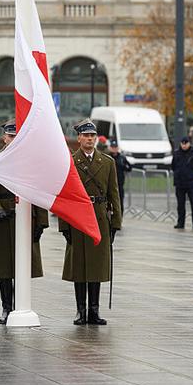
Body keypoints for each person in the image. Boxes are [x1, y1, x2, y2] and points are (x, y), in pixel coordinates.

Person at [0, 119, 46, 324]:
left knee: (23, 265)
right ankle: (6, 307)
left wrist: (41, 222)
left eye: (17, 136)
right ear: (4, 138)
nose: (13, 140)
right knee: (4, 266)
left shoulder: (30, 162)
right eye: (10, 136)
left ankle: (21, 304)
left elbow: (39, 191)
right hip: (4, 219)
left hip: (26, 218)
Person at [59, 119, 122, 325]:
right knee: (79, 266)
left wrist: (116, 223)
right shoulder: (70, 161)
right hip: (78, 217)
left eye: (92, 136)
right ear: (79, 138)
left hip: (99, 217)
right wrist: (64, 225)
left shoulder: (107, 162)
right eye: (86, 135)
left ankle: (94, 311)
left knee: (96, 265)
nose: (89, 139)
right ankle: (81, 311)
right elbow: (64, 195)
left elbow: (114, 194)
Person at [172, 136, 193, 229]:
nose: (184, 145)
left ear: (189, 143)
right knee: (180, 205)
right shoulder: (176, 153)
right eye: (182, 143)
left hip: (191, 183)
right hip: (180, 183)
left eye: (186, 143)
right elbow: (173, 166)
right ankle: (180, 223)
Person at [107, 139, 132, 216]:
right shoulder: (107, 157)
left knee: (120, 200)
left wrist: (123, 166)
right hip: (109, 184)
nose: (114, 149)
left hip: (119, 184)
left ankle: (120, 217)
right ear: (110, 148)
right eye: (113, 147)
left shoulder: (122, 158)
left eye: (115, 147)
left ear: (118, 148)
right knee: (109, 201)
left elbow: (129, 167)